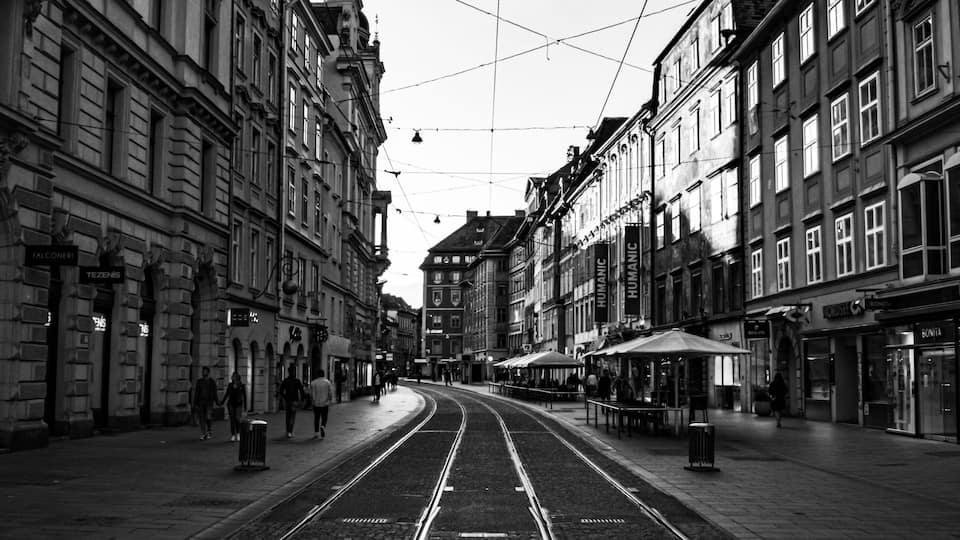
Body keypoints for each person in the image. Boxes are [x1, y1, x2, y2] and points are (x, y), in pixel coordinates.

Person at [278, 365, 305, 438]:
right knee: (292, 416)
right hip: (294, 400)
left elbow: (281, 391)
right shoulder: (297, 381)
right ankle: (290, 432)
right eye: (294, 371)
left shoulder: (285, 381)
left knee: (288, 416)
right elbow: (301, 390)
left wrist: (284, 397)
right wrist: (302, 399)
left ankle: (288, 431)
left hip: (287, 400)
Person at [219, 371, 247, 442]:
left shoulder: (241, 385)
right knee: (232, 419)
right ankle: (233, 435)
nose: (233, 378)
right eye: (232, 376)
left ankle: (238, 433)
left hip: (238, 404)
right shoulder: (230, 385)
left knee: (237, 418)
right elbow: (227, 394)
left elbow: (244, 396)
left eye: (234, 376)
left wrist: (245, 407)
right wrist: (222, 402)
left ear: (237, 378)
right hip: (231, 404)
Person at [193, 366, 218, 440]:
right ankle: (204, 433)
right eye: (203, 371)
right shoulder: (199, 381)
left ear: (208, 372)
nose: (203, 372)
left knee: (208, 417)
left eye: (205, 371)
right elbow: (197, 392)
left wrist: (217, 401)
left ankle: (209, 431)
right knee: (201, 418)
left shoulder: (212, 382)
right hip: (201, 402)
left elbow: (214, 393)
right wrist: (195, 403)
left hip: (209, 403)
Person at [307, 369, 333, 439]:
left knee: (316, 418)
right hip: (325, 403)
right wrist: (330, 400)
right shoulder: (327, 382)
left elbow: (311, 394)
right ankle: (323, 426)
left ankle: (316, 433)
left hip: (316, 404)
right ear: (323, 374)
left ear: (317, 374)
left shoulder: (313, 383)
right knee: (324, 417)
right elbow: (330, 393)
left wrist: (312, 401)